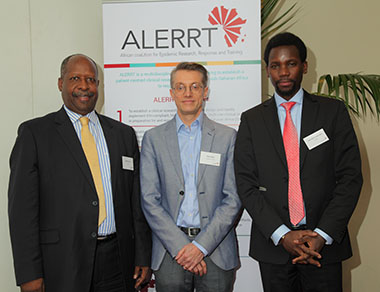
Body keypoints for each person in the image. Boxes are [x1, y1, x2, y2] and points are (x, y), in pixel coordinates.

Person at [8, 54, 151, 292]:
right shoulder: (35, 134)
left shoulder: (123, 134)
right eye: (75, 78)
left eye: (91, 79)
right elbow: (22, 212)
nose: (84, 86)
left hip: (117, 260)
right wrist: (28, 273)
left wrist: (142, 255)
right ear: (60, 83)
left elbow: (135, 202)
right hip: (62, 262)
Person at [234, 32, 363, 292]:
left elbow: (350, 178)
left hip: (324, 248)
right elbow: (246, 184)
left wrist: (322, 235)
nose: (283, 72)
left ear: (304, 66)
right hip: (274, 247)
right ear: (267, 70)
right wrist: (282, 234)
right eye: (275, 65)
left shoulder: (332, 112)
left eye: (290, 63)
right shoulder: (252, 120)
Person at [140, 62, 241, 292]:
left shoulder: (227, 138)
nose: (187, 93)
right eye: (180, 87)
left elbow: (233, 198)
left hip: (215, 251)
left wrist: (200, 247)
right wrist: (181, 247)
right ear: (171, 93)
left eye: (195, 86)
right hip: (170, 252)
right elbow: (149, 200)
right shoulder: (153, 139)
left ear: (205, 92)